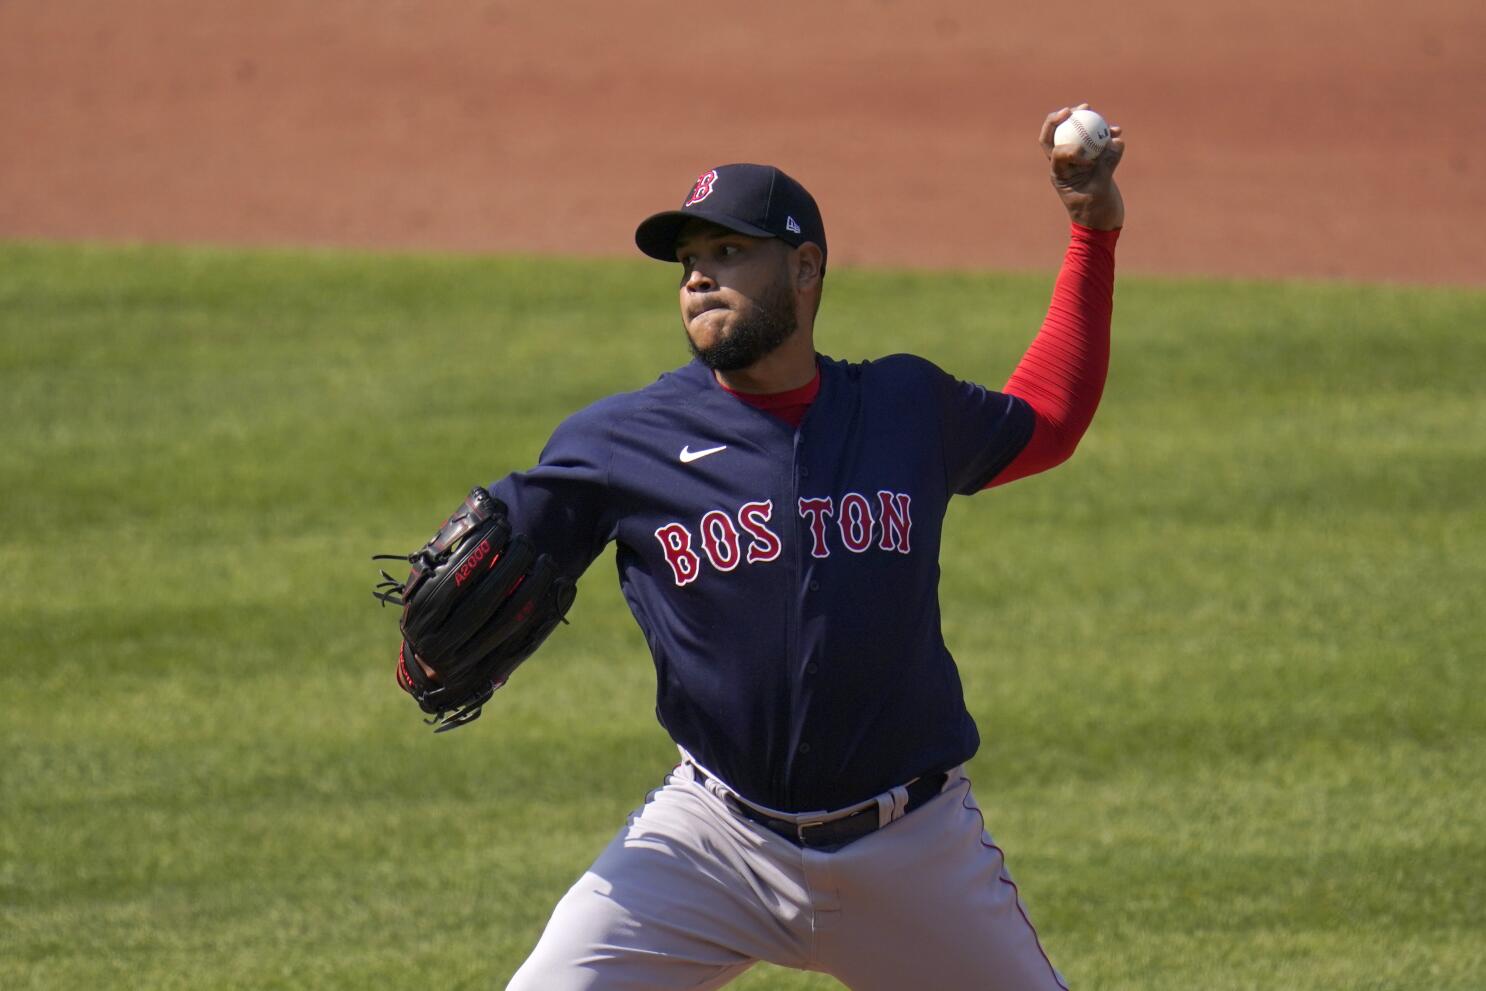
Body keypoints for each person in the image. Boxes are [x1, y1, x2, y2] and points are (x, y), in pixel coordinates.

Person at [494, 106, 1124, 990]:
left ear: (805, 268)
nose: (699, 280)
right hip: (712, 840)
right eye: (688, 263)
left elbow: (1048, 420)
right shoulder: (625, 441)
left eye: (728, 252)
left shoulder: (905, 407)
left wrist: (1092, 234)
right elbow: (494, 542)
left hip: (912, 849)